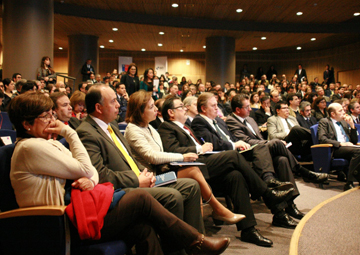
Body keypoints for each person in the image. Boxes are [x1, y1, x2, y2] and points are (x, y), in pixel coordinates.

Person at [7, 91, 229, 255]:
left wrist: (86, 176)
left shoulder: (45, 144)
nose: (52, 121)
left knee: (144, 229)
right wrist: (69, 133)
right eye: (46, 116)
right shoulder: (32, 147)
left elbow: (91, 175)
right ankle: (196, 242)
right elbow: (89, 170)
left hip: (74, 214)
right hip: (54, 224)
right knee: (141, 198)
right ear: (26, 124)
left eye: (51, 114)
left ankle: (194, 244)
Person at [158, 96, 299, 246]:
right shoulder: (167, 127)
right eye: (181, 107)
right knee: (233, 155)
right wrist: (199, 148)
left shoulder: (186, 126)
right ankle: (267, 193)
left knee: (235, 176)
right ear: (171, 112)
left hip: (206, 161)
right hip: (194, 166)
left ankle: (248, 230)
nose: (185, 108)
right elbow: (172, 150)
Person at [76, 84, 205, 235]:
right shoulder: (86, 132)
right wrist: (137, 179)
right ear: (99, 108)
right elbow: (100, 174)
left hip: (141, 178)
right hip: (123, 189)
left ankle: (195, 245)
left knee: (191, 186)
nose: (118, 104)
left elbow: (129, 158)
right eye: (113, 102)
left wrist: (145, 174)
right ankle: (182, 248)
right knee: (173, 196)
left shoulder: (112, 126)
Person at [124, 91, 245, 226]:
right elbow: (152, 156)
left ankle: (204, 224)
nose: (157, 109)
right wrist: (183, 157)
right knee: (193, 171)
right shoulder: (133, 129)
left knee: (194, 174)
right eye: (152, 107)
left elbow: (161, 153)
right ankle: (217, 209)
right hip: (151, 178)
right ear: (140, 111)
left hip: (161, 170)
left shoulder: (150, 128)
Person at [318, 103, 360, 191]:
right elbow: (322, 138)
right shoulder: (325, 121)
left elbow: (354, 141)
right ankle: (349, 182)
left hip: (348, 147)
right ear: (333, 114)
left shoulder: (343, 122)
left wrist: (352, 125)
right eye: (340, 111)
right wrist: (340, 144)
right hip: (335, 149)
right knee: (359, 152)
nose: (344, 112)